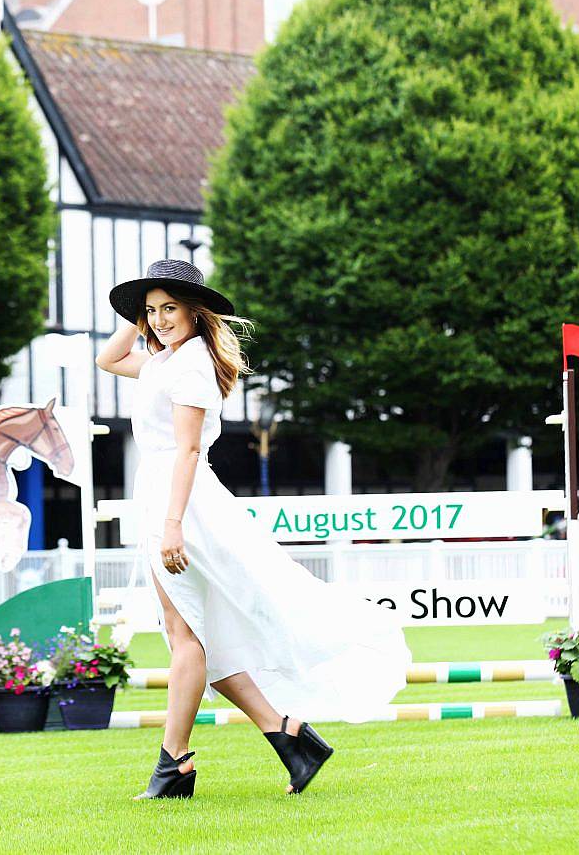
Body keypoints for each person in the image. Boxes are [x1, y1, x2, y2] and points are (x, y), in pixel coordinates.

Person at [96, 259, 411, 800]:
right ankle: (288, 736)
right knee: (193, 635)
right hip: (163, 497)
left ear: (197, 312)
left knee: (188, 636)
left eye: (170, 308)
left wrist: (172, 524)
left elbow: (190, 450)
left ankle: (175, 765)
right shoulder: (163, 360)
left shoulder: (191, 367)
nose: (160, 319)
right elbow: (108, 357)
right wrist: (136, 311)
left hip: (182, 503)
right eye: (152, 311)